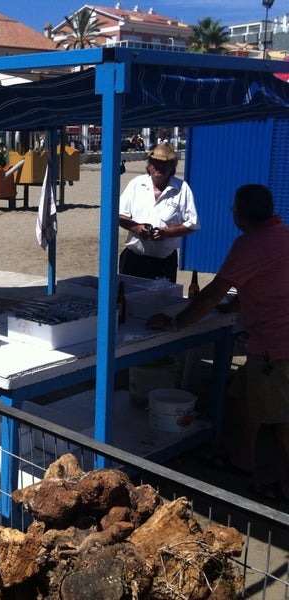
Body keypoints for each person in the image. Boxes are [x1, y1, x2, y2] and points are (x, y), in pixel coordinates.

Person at [147, 184, 289, 503]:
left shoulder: (250, 244)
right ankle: (243, 460)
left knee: (281, 418)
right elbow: (269, 281)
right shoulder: (282, 235)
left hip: (275, 350)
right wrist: (236, 306)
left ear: (239, 213)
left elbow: (213, 291)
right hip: (266, 347)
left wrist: (175, 323)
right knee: (240, 397)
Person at [118, 141, 199, 283]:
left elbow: (193, 224)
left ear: (172, 166)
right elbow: (118, 215)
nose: (158, 166)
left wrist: (167, 233)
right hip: (134, 260)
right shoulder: (136, 184)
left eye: (164, 163)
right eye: (155, 162)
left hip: (164, 264)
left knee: (160, 304)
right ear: (149, 165)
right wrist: (136, 228)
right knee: (126, 302)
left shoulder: (182, 188)